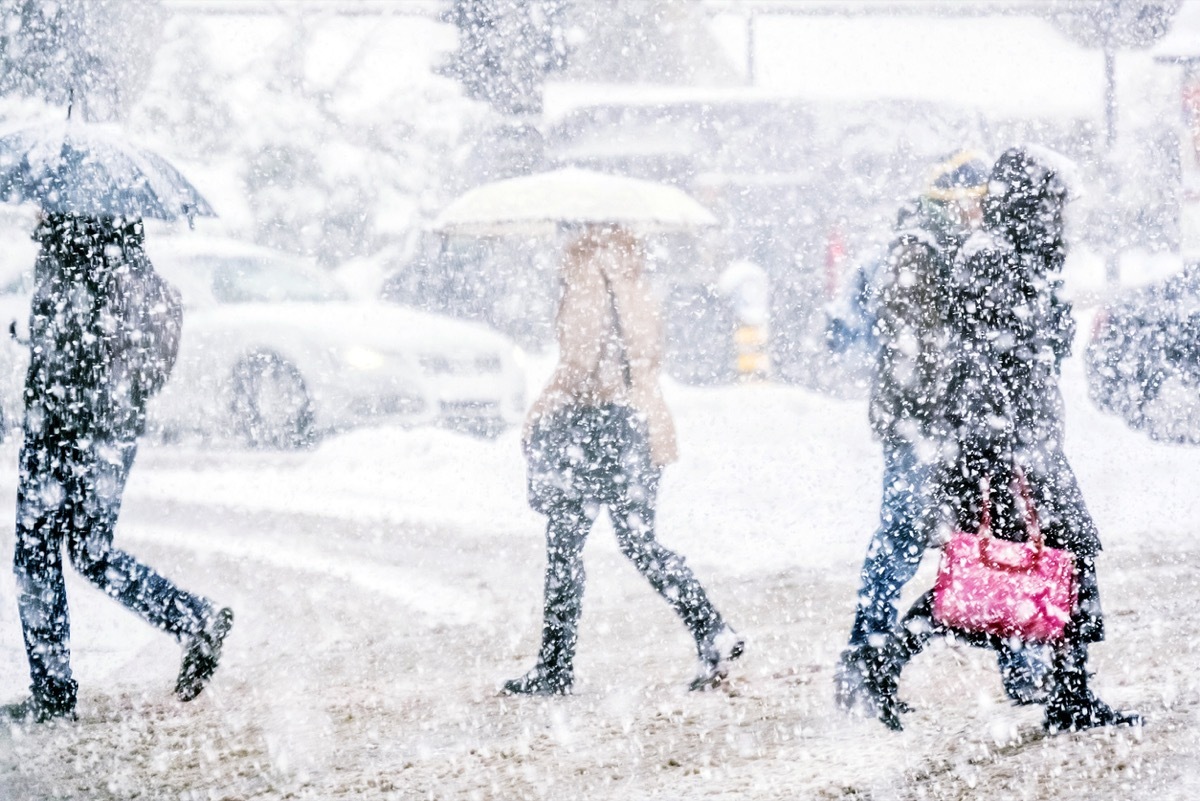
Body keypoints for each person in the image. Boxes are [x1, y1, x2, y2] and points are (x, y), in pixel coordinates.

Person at [875, 148, 1142, 734]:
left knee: (1029, 568)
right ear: (1032, 205)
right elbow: (981, 362)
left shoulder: (1020, 257)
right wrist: (998, 449)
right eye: (1055, 207)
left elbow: (1033, 351)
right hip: (1004, 447)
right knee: (998, 574)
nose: (1063, 220)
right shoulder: (991, 259)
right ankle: (886, 659)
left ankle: (1069, 693)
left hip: (1026, 441)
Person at [834, 151, 1052, 721]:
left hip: (953, 426)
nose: (984, 211)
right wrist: (952, 406)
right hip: (924, 428)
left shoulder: (961, 251)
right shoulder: (920, 251)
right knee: (905, 536)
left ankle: (1020, 663)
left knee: (995, 538)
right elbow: (916, 351)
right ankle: (865, 654)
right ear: (952, 201)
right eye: (976, 200)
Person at [3, 213, 234, 724]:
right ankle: (193, 618)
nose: (37, 215)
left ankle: (54, 695)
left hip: (65, 424)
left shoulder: (72, 254)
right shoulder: (128, 257)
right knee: (90, 551)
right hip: (113, 426)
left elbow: (73, 341)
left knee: (36, 556)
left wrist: (45, 333)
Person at [504, 225, 742, 695]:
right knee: (640, 541)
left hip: (595, 428)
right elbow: (644, 355)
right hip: (642, 422)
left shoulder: (586, 274)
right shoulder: (634, 276)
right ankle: (711, 629)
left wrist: (542, 406)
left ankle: (554, 667)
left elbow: (581, 362)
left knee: (564, 548)